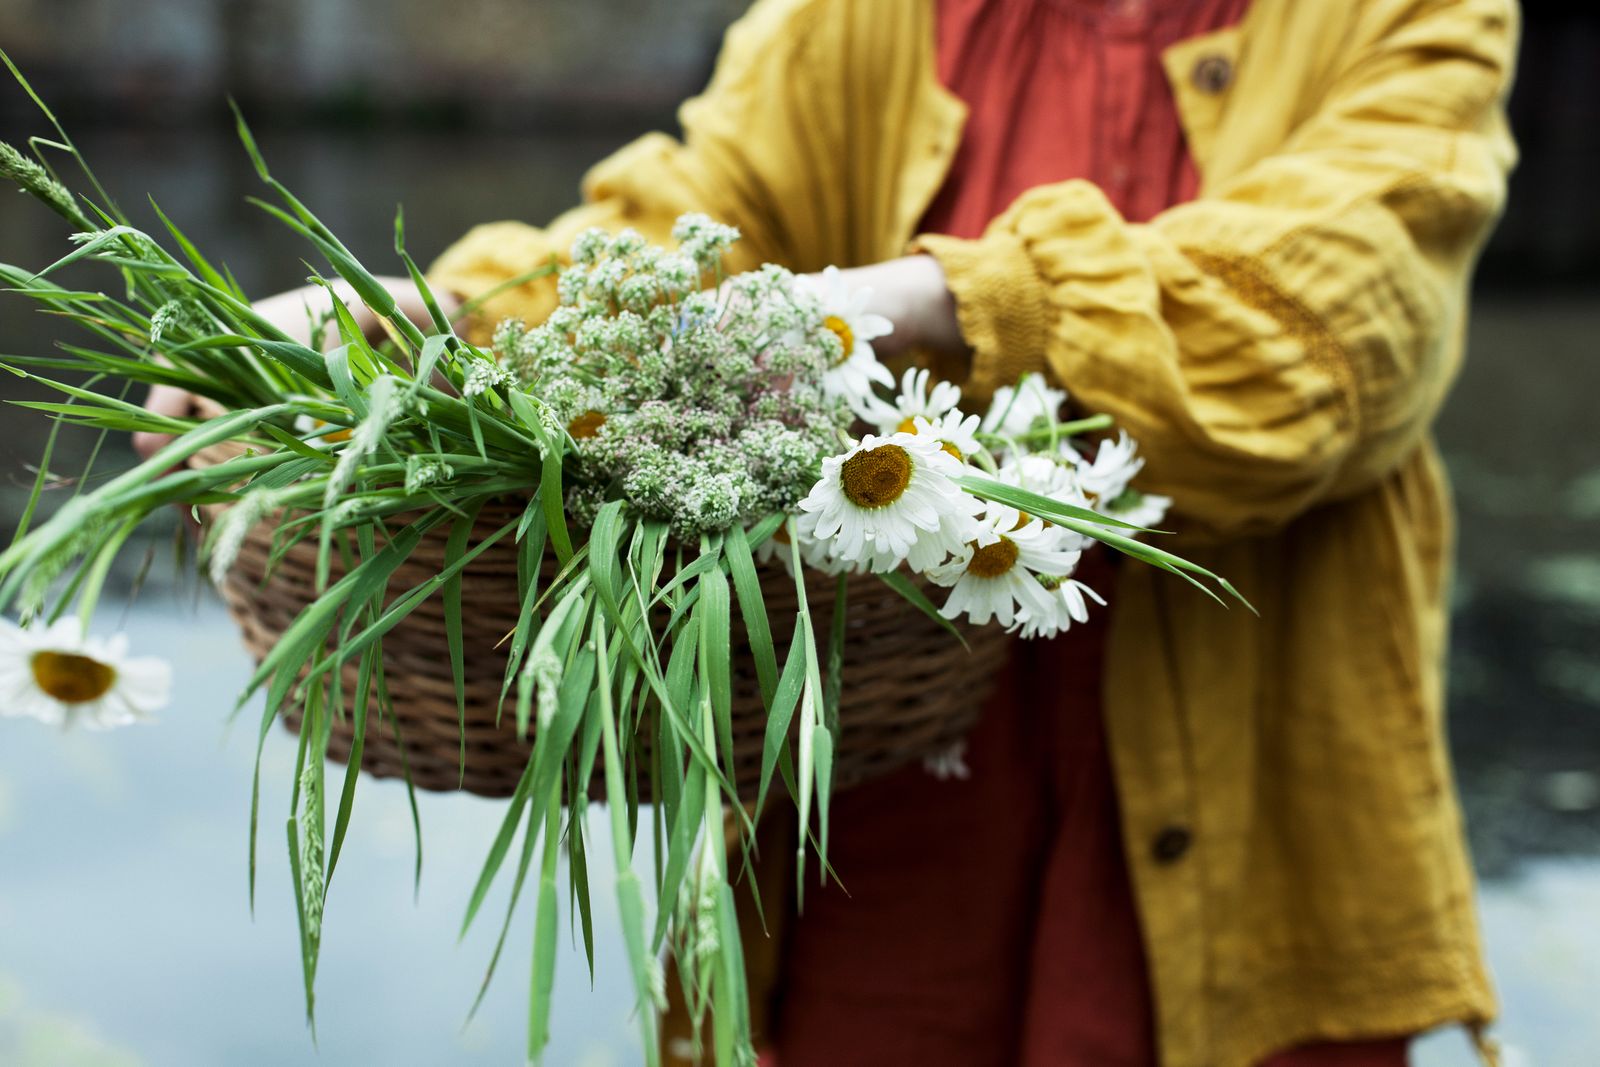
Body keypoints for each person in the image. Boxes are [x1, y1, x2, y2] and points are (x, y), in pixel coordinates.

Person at [138, 1, 1519, 1064]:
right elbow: (683, 238)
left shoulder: (1406, 18)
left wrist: (918, 303)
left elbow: (1333, 337)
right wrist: (430, 325)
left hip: (1267, 819)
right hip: (873, 817)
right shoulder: (866, 16)